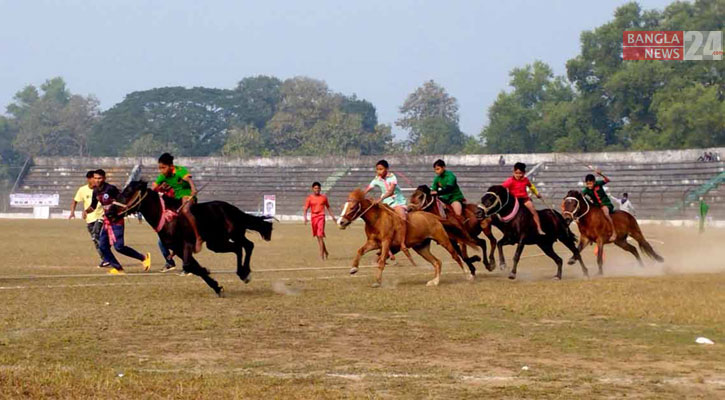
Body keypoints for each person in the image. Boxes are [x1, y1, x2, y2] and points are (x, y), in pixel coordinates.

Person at [86, 169, 151, 274]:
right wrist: (86, 211)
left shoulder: (111, 189)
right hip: (107, 222)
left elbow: (123, 200)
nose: (97, 180)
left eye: (100, 178)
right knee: (103, 246)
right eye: (95, 178)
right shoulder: (96, 191)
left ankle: (143, 258)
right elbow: (93, 206)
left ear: (104, 178)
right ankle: (118, 268)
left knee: (119, 247)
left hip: (116, 220)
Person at [152, 153, 202, 253]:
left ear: (171, 166)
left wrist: (193, 189)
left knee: (185, 210)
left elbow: (189, 180)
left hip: (187, 195)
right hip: (176, 198)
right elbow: (153, 188)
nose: (161, 170)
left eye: (163, 168)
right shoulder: (163, 176)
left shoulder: (180, 170)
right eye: (160, 168)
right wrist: (159, 188)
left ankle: (198, 237)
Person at [364, 159, 410, 253]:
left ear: (387, 169)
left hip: (397, 202)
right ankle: (383, 243)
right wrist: (359, 195)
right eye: (377, 169)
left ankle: (402, 243)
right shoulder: (377, 179)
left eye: (381, 169)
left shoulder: (392, 177)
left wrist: (380, 199)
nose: (379, 171)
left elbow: (391, 191)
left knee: (402, 217)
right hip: (385, 203)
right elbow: (368, 188)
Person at [69, 170, 107, 267]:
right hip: (90, 219)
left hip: (101, 216)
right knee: (95, 239)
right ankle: (105, 259)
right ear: (89, 179)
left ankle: (107, 257)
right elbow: (75, 201)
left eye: (97, 178)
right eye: (94, 178)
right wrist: (72, 212)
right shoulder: (82, 190)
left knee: (96, 234)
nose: (96, 180)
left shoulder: (101, 189)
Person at [502, 162, 545, 235]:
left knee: (533, 210)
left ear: (524, 173)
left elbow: (531, 186)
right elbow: (502, 188)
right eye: (516, 173)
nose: (518, 175)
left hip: (524, 199)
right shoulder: (510, 181)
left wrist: (537, 194)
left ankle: (539, 228)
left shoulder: (525, 180)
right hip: (514, 200)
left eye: (520, 173)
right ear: (514, 172)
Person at [303, 182, 336, 260]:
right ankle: (326, 252)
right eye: (315, 188)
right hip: (313, 218)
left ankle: (321, 256)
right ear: (312, 189)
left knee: (320, 235)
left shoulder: (324, 198)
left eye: (318, 188)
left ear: (320, 189)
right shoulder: (309, 198)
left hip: (321, 217)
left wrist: (333, 217)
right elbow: (305, 209)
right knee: (318, 237)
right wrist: (305, 218)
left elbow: (328, 207)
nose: (317, 190)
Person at [582, 169, 617, 241]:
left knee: (606, 214)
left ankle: (614, 232)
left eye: (590, 183)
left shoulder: (598, 183)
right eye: (587, 184)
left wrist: (600, 174)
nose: (589, 185)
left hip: (605, 204)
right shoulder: (586, 189)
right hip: (596, 206)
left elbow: (607, 180)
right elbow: (581, 195)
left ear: (594, 182)